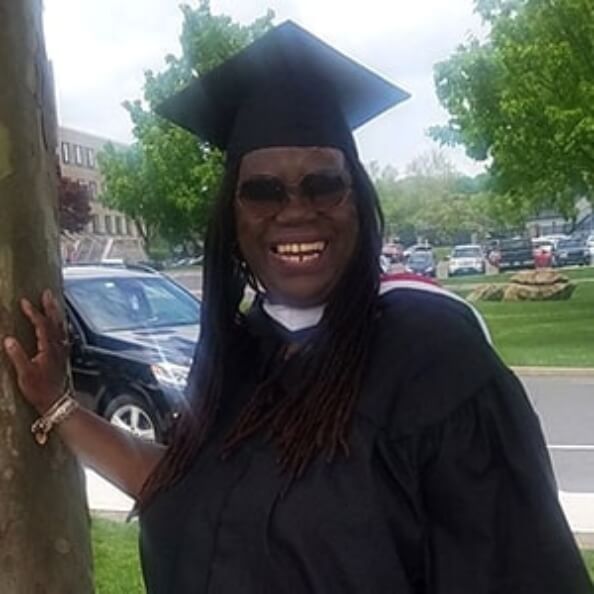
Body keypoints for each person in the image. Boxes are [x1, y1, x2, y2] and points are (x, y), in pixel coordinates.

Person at [3, 21, 592, 594]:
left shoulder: (435, 365)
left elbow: (515, 570)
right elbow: (191, 487)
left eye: (322, 184)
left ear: (357, 202)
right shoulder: (240, 355)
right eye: (262, 190)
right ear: (232, 220)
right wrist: (61, 405)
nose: (295, 210)